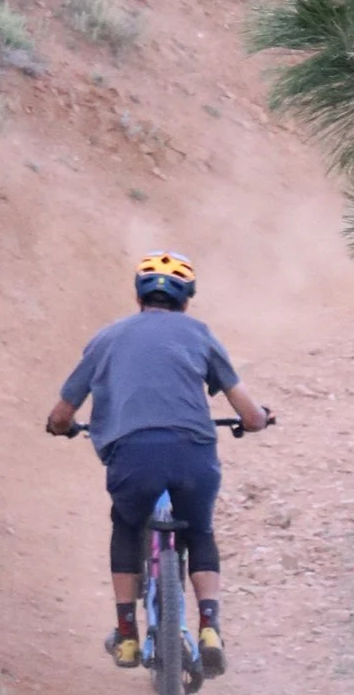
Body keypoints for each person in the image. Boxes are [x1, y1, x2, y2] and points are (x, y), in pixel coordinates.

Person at [44, 254, 272, 673]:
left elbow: (62, 414)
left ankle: (127, 636)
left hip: (133, 456)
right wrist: (256, 422)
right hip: (193, 454)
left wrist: (62, 427)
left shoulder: (107, 339)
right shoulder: (200, 334)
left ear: (138, 296)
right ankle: (209, 627)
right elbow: (251, 413)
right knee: (199, 530)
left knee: (127, 527)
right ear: (186, 301)